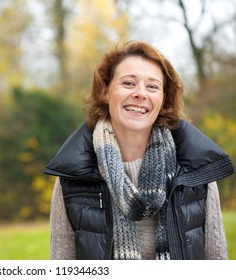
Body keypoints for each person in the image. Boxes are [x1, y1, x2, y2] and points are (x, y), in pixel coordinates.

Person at [44, 40, 234, 260]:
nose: (140, 93)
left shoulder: (195, 168)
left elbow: (217, 259)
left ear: (162, 100)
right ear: (105, 92)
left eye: (152, 86)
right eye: (128, 83)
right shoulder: (74, 175)